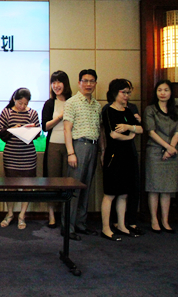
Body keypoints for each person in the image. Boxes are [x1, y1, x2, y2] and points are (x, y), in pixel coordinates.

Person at [100, 79, 144, 241]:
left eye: (128, 93)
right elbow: (113, 135)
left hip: (128, 155)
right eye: (124, 92)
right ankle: (106, 228)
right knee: (110, 193)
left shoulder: (127, 110)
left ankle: (121, 225)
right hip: (114, 155)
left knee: (124, 193)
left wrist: (128, 127)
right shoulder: (108, 110)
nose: (127, 96)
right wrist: (130, 135)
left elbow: (140, 129)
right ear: (114, 93)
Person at [63, 69, 102, 241]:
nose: (88, 84)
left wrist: (102, 151)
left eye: (92, 81)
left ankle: (80, 223)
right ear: (79, 83)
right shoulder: (72, 102)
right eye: (85, 81)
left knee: (86, 187)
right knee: (74, 189)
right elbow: (67, 129)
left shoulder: (97, 105)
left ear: (95, 83)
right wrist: (71, 152)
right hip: (78, 146)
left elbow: (100, 130)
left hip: (93, 147)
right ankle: (68, 227)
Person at [0, 88, 40, 230]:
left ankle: (22, 215)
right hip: (11, 155)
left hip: (28, 155)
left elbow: (38, 132)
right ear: (14, 99)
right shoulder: (7, 112)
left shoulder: (32, 113)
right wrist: (13, 129)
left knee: (27, 186)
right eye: (20, 103)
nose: (22, 106)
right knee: (10, 186)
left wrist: (28, 130)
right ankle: (9, 213)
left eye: (25, 104)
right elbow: (0, 131)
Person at [144, 79, 178, 234]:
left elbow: (177, 132)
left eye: (166, 90)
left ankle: (165, 220)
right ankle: (154, 219)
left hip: (171, 153)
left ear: (171, 93)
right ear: (156, 92)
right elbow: (151, 132)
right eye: (160, 90)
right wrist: (167, 147)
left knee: (167, 188)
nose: (163, 93)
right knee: (154, 187)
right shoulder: (150, 110)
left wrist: (170, 149)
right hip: (155, 151)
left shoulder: (175, 111)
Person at [41, 70, 72, 229]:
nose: (56, 85)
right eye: (53, 82)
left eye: (59, 82)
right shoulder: (49, 103)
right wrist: (59, 117)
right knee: (52, 180)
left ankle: (67, 215)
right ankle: (52, 215)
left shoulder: (73, 102)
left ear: (65, 84)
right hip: (53, 145)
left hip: (70, 146)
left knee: (67, 181)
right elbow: (45, 127)